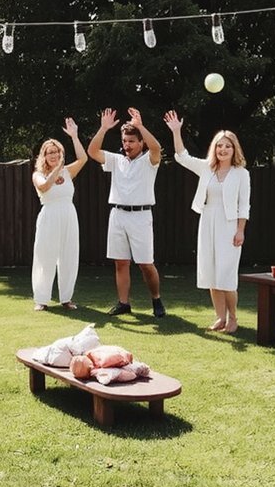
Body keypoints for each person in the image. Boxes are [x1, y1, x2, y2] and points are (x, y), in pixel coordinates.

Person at [163, 110, 250, 333]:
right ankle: (220, 317)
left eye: (227, 146)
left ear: (234, 149)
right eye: (219, 146)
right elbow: (182, 156)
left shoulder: (242, 174)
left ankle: (233, 318)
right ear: (214, 148)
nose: (223, 150)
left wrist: (240, 231)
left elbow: (244, 205)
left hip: (229, 225)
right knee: (211, 271)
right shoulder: (206, 168)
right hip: (208, 221)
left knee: (226, 274)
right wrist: (176, 131)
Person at [87, 107, 166, 317]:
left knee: (146, 264)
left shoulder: (150, 161)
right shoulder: (116, 160)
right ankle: (124, 303)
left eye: (132, 141)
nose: (127, 145)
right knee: (120, 262)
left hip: (141, 216)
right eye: (125, 141)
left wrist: (140, 126)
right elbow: (92, 152)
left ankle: (156, 300)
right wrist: (103, 128)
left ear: (141, 143)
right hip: (118, 215)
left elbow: (157, 148)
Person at [31, 118, 89, 311]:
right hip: (49, 217)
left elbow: (83, 159)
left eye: (56, 151)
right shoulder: (37, 174)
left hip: (69, 216)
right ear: (44, 156)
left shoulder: (67, 171)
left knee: (69, 256)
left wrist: (74, 136)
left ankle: (66, 298)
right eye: (50, 152)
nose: (54, 155)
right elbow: (45, 186)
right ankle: (42, 299)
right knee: (45, 257)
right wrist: (57, 169)